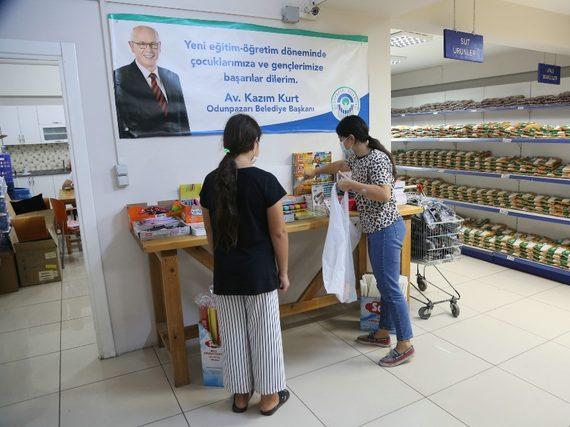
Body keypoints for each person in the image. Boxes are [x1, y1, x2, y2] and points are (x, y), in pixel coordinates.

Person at [306, 115, 415, 367]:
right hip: (376, 230)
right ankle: (382, 333)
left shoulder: (377, 159)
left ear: (351, 138)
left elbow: (384, 194)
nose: (341, 143)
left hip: (387, 229)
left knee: (389, 287)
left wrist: (352, 184)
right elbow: (342, 164)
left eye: (342, 139)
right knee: (384, 284)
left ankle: (405, 343)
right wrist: (316, 171)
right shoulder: (358, 156)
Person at [199, 114, 290, 415]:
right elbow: (278, 232)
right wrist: (284, 271)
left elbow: (210, 233)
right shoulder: (265, 181)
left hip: (226, 272)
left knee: (234, 335)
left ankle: (240, 395)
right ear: (254, 144)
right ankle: (268, 397)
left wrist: (224, 260)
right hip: (259, 273)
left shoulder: (212, 181)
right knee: (264, 335)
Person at [114, 25, 190, 138]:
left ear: (159, 46)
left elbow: (183, 124)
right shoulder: (120, 77)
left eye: (153, 44)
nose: (148, 49)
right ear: (131, 46)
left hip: (178, 149)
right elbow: (121, 128)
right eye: (142, 44)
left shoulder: (173, 77)